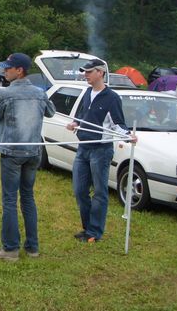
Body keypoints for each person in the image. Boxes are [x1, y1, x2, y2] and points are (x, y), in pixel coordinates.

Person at [0, 53, 56, 262]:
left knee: (9, 200)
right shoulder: (39, 93)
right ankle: (32, 248)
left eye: (8, 68)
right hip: (33, 152)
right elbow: (51, 112)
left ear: (20, 70)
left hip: (12, 153)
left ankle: (10, 249)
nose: (5, 71)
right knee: (28, 197)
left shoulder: (4, 94)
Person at [66, 59, 136, 243]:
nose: (86, 75)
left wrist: (128, 136)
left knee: (99, 191)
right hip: (83, 147)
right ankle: (87, 228)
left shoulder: (112, 97)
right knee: (79, 190)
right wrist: (75, 123)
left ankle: (94, 232)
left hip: (101, 149)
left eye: (89, 72)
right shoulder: (87, 92)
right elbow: (82, 115)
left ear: (100, 73)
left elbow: (118, 124)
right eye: (85, 72)